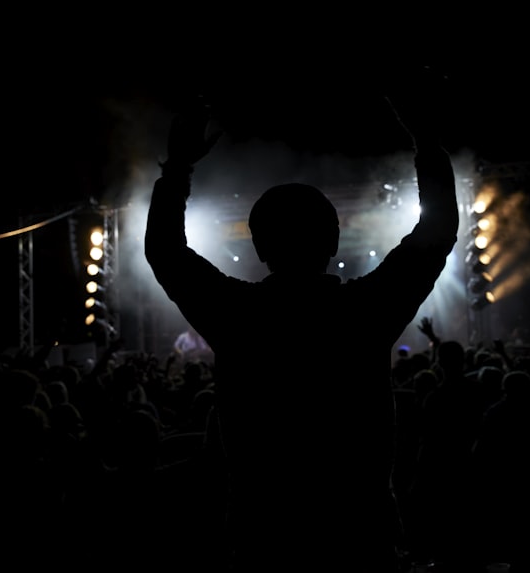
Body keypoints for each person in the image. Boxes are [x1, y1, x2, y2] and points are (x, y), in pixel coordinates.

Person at [144, 73, 460, 572]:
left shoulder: (237, 315)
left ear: (259, 248)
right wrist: (425, 140)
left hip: (264, 536)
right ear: (333, 243)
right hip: (358, 535)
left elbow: (164, 250)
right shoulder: (365, 311)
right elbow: (438, 230)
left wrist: (179, 167)